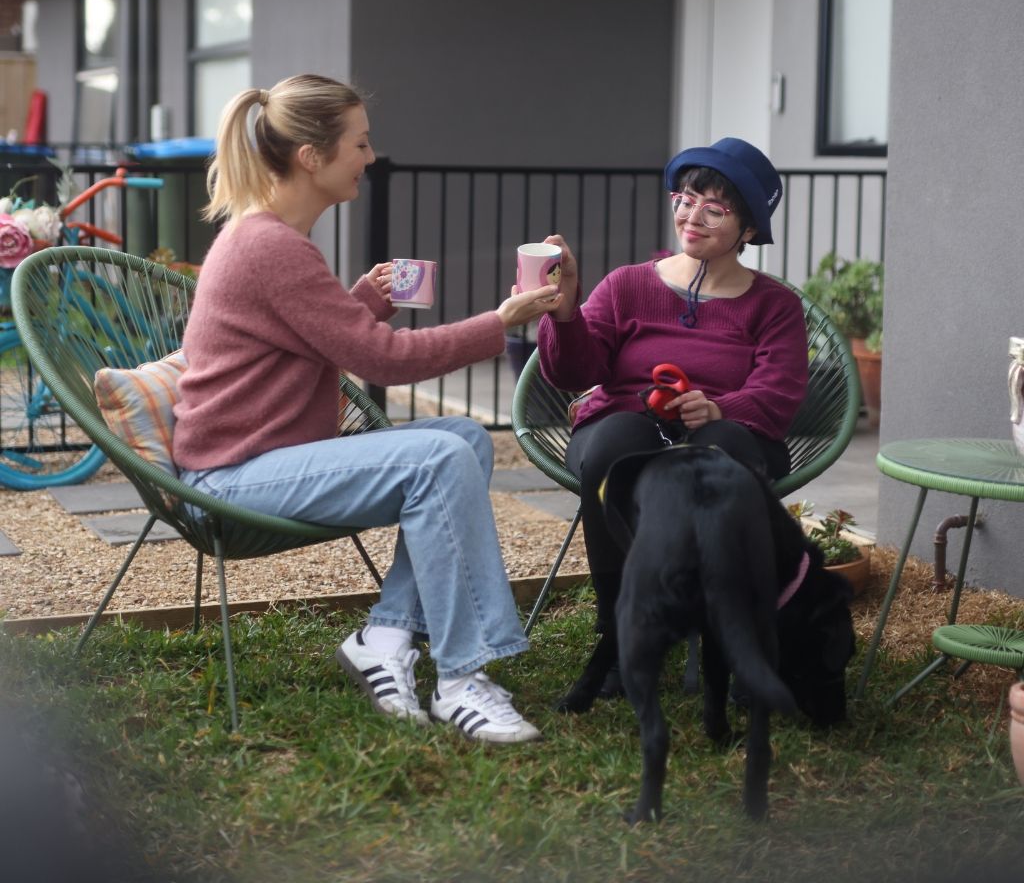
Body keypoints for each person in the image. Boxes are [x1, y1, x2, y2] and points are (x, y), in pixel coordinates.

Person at [172, 73, 563, 743]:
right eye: (360, 142)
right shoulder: (271, 247)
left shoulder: (270, 241)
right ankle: (464, 677)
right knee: (439, 457)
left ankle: (383, 638)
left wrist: (362, 301)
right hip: (228, 479)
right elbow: (384, 361)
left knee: (463, 439)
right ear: (311, 157)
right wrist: (499, 322)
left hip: (264, 460)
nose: (371, 157)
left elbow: (311, 336)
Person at [535, 137, 809, 697]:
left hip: (723, 429)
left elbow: (779, 396)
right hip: (626, 421)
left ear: (749, 229)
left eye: (716, 206)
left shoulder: (774, 305)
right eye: (685, 198)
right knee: (614, 446)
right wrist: (564, 314)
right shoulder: (627, 285)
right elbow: (572, 371)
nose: (692, 215)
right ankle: (619, 636)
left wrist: (717, 407)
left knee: (724, 454)